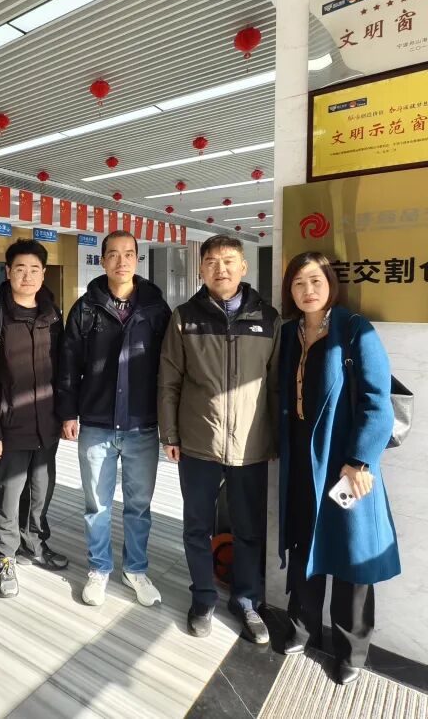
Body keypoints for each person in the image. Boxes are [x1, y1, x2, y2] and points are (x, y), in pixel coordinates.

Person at [277, 252, 400, 685]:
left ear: (330, 283)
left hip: (345, 463)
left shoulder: (354, 329)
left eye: (315, 281)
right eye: (298, 283)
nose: (307, 290)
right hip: (300, 459)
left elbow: (377, 401)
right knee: (302, 546)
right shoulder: (289, 332)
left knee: (351, 556)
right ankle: (302, 627)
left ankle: (351, 650)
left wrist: (361, 459)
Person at [158, 235, 280, 643]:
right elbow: (169, 380)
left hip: (251, 444)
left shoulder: (269, 319)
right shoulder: (184, 317)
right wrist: (170, 433)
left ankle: (245, 600)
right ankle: (203, 598)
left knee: (248, 528)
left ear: (244, 267)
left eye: (229, 261)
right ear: (200, 270)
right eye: (211, 261)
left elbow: (275, 385)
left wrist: (275, 439)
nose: (220, 268)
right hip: (198, 442)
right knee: (196, 526)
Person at [56, 230, 170, 607]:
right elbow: (68, 365)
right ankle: (99, 568)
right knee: (97, 506)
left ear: (137, 259)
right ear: (103, 260)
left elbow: (169, 368)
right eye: (114, 254)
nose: (122, 261)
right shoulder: (85, 308)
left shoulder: (155, 308)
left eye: (129, 254)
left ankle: (135, 569)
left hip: (142, 424)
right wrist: (68, 412)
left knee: (139, 506)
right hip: (96, 422)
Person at [0, 238, 68, 598]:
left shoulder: (53, 316)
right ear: (8, 272)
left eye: (34, 270)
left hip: (47, 423)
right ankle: (4, 556)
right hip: (9, 425)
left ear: (43, 274)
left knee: (41, 490)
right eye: (20, 269)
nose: (27, 276)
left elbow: (63, 369)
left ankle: (34, 544)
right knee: (7, 495)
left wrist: (65, 415)